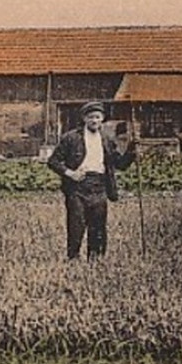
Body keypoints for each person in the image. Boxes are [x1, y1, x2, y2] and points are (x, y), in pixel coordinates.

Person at [46, 101, 136, 260]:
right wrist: (70, 173)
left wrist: (132, 150)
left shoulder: (107, 140)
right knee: (76, 225)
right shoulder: (71, 138)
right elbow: (53, 161)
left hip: (99, 186)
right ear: (84, 119)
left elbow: (120, 164)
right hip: (77, 187)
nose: (94, 120)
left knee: (98, 227)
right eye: (91, 117)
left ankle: (95, 261)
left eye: (98, 117)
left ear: (102, 119)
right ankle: (73, 259)